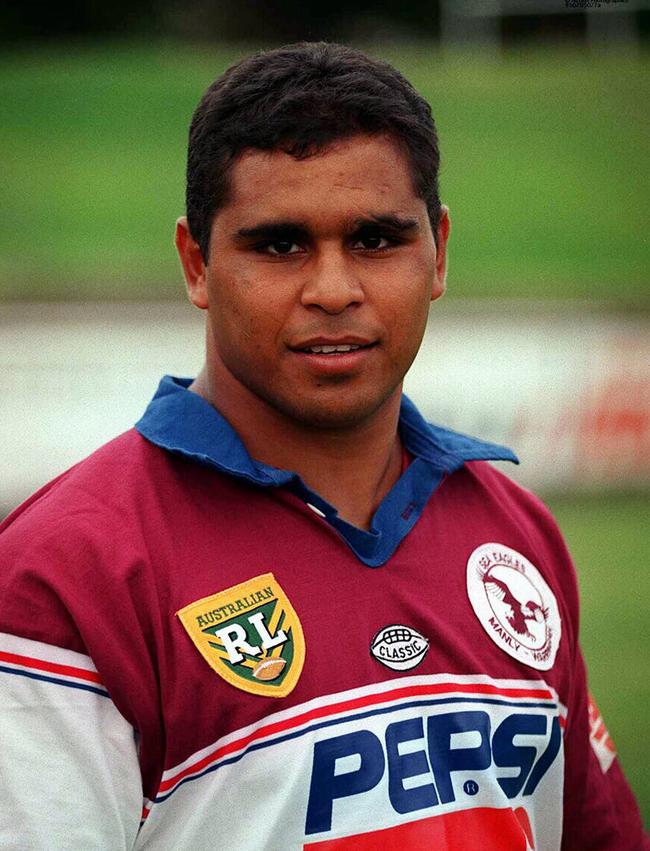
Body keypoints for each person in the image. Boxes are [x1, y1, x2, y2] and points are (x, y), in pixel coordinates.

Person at [0, 42, 646, 851]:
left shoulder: (515, 533)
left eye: (377, 239)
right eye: (279, 245)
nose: (334, 289)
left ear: (438, 252)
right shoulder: (64, 575)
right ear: (196, 263)